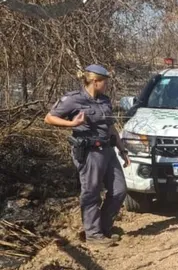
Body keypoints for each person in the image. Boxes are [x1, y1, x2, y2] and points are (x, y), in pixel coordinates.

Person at [44, 64, 130, 247]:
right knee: (91, 193)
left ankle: (103, 228)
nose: (107, 85)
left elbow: (110, 127)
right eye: (104, 81)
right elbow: (49, 118)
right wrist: (72, 124)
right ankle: (93, 234)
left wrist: (122, 150)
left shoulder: (105, 101)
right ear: (95, 81)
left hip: (108, 150)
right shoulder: (73, 99)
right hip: (89, 152)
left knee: (119, 190)